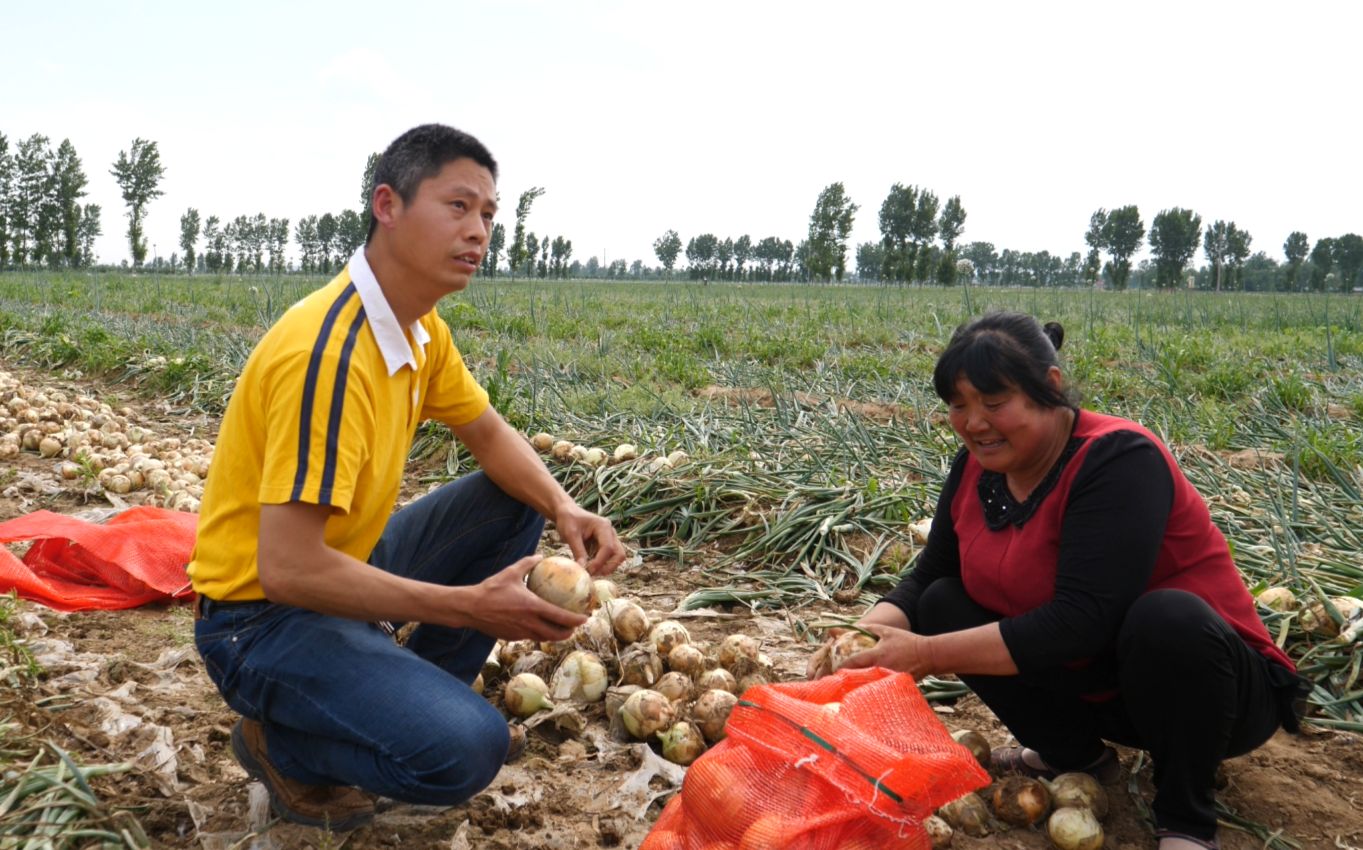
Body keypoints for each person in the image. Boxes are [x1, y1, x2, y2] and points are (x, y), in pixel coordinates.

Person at [187, 124, 626, 831]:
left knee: (512, 502)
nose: (479, 231)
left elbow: (486, 431)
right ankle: (288, 747)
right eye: (457, 206)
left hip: (337, 575)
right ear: (387, 205)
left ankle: (389, 695)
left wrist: (564, 506)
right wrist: (468, 606)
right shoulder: (329, 357)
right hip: (257, 622)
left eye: (488, 214)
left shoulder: (418, 330)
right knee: (461, 752)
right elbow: (289, 570)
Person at [820, 312, 1307, 850]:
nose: (973, 422)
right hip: (1098, 688)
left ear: (1049, 389)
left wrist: (925, 655)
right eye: (958, 405)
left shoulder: (1120, 459)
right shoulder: (974, 467)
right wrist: (859, 634)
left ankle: (1186, 819)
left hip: (1211, 695)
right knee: (942, 601)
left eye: (994, 402)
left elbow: (1082, 620)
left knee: (1167, 618)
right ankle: (1076, 757)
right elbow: (932, 574)